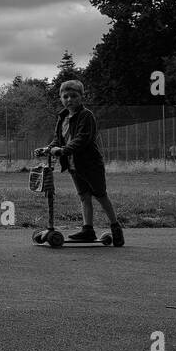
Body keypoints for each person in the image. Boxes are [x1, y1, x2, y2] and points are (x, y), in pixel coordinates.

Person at [36, 79, 123, 245]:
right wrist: (48, 148)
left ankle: (116, 227)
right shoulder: (62, 117)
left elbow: (82, 138)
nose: (69, 99)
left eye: (74, 96)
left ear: (81, 97)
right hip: (73, 164)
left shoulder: (86, 116)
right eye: (66, 96)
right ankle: (88, 230)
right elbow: (58, 139)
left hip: (90, 164)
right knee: (84, 196)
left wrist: (63, 150)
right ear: (61, 98)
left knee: (100, 195)